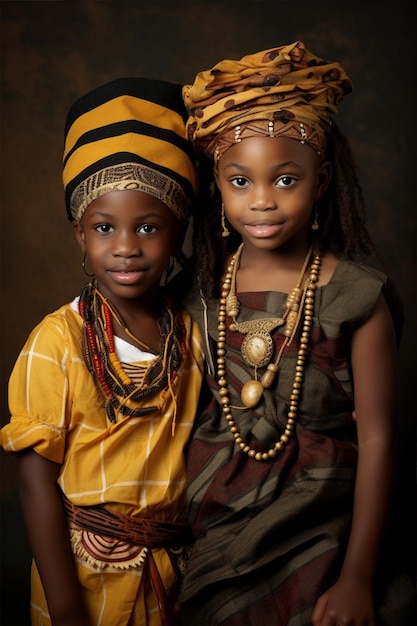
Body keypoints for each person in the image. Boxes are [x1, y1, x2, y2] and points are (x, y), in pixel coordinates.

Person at [172, 41, 416, 625]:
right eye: (239, 182)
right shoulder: (200, 295)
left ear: (322, 178)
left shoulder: (357, 296)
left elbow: (380, 441)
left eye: (285, 180)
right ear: (218, 186)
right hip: (218, 523)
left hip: (326, 529)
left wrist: (357, 576)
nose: (261, 201)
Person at [0, 77, 205, 626]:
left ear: (178, 231)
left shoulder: (190, 336)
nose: (125, 247)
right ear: (80, 239)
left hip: (175, 577)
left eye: (148, 227)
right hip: (83, 580)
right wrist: (66, 605)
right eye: (103, 227)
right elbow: (35, 479)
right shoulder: (57, 342)